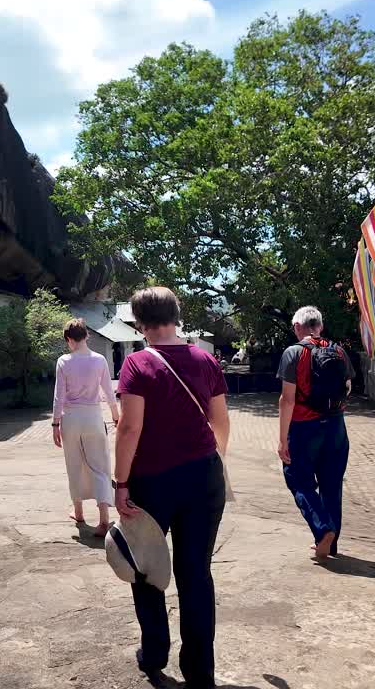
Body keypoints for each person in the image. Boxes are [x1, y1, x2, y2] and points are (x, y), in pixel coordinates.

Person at [113, 287, 230, 687]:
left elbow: (129, 428)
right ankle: (201, 673)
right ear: (176, 316)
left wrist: (120, 482)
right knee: (196, 573)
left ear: (140, 322)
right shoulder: (206, 359)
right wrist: (215, 465)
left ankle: (155, 653)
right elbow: (221, 423)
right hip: (204, 476)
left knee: (147, 568)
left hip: (151, 480)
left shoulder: (137, 364)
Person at [276, 306, 354, 560]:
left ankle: (322, 531)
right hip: (336, 427)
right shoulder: (340, 351)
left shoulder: (293, 353)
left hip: (304, 428)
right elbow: (348, 389)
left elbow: (287, 400)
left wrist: (282, 439)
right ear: (319, 326)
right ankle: (329, 545)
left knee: (298, 480)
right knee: (332, 485)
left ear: (298, 327)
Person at [52, 318, 120, 536]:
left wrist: (55, 423)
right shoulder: (100, 360)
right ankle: (103, 521)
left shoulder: (63, 361)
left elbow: (58, 396)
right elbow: (109, 392)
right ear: (87, 336)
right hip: (93, 416)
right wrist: (116, 415)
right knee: (99, 466)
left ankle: (79, 511)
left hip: (70, 418)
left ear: (69, 339)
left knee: (74, 464)